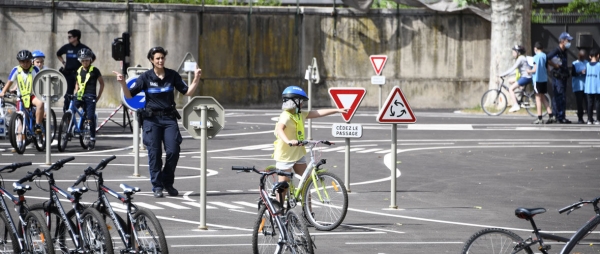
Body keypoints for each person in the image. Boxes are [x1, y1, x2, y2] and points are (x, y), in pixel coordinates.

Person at [114, 46, 201, 198]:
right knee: (154, 153)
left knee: (173, 151)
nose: (160, 60)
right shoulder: (145, 77)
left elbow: (187, 92)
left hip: (169, 119)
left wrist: (196, 79)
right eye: (157, 58)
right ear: (151, 60)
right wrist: (122, 83)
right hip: (151, 120)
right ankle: (157, 186)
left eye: (162, 58)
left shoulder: (172, 75)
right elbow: (129, 96)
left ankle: (168, 182)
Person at [273, 86, 348, 199]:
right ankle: (278, 214)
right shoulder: (286, 116)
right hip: (285, 156)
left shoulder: (300, 114)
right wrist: (289, 141)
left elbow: (317, 113)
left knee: (306, 184)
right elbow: (279, 129)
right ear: (294, 102)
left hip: (298, 154)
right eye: (301, 102)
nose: (302, 104)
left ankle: (308, 214)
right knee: (283, 188)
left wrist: (337, 110)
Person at [0, 50, 43, 132]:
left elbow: (40, 81)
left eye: (27, 61)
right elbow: (9, 82)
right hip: (21, 97)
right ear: (19, 62)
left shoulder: (35, 69)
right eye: (22, 62)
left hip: (32, 96)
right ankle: (19, 141)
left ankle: (38, 125)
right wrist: (3, 92)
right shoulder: (16, 70)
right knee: (20, 117)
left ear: (31, 61)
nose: (25, 64)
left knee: (40, 103)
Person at [73, 48, 104, 150]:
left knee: (90, 117)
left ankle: (92, 138)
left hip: (91, 96)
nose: (84, 62)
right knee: (71, 109)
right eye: (82, 60)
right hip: (80, 95)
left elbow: (101, 83)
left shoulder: (95, 70)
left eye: (86, 60)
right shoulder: (78, 70)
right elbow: (77, 83)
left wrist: (98, 96)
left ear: (90, 60)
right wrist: (76, 92)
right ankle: (70, 128)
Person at [57, 29, 91, 113]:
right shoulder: (67, 47)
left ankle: (84, 114)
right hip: (68, 74)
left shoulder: (83, 48)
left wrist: (86, 66)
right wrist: (63, 62)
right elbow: (58, 54)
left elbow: (92, 57)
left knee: (81, 94)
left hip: (79, 74)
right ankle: (67, 115)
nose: (68, 38)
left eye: (70, 37)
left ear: (76, 37)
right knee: (68, 95)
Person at [547, 32, 573, 124]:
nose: (569, 42)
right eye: (568, 40)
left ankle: (558, 116)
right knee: (559, 97)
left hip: (563, 77)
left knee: (559, 97)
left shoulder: (564, 51)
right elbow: (547, 58)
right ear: (562, 41)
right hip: (557, 77)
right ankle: (559, 116)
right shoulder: (556, 51)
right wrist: (554, 65)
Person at [527, 42, 554, 124]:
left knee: (538, 99)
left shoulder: (535, 58)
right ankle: (551, 115)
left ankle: (540, 118)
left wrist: (529, 71)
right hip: (544, 79)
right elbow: (548, 68)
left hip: (537, 80)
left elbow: (534, 69)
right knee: (543, 98)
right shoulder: (545, 56)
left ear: (535, 48)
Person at [499, 45, 532, 113]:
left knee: (511, 89)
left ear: (518, 52)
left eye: (514, 52)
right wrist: (507, 75)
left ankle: (516, 105)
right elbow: (515, 71)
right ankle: (521, 100)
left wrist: (503, 74)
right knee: (512, 83)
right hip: (525, 77)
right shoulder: (521, 58)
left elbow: (513, 68)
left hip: (526, 77)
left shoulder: (520, 58)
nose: (513, 54)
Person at [583, 48, 600, 125]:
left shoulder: (587, 65)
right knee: (598, 103)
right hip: (597, 87)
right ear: (598, 56)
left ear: (590, 56)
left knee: (589, 104)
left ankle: (589, 119)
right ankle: (598, 119)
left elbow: (584, 73)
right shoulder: (599, 65)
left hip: (588, 87)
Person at [572, 49, 589, 124]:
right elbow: (573, 73)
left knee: (588, 103)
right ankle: (580, 118)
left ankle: (589, 118)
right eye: (581, 57)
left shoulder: (587, 63)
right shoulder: (574, 63)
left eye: (584, 57)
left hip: (586, 86)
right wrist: (580, 72)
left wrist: (586, 72)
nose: (582, 58)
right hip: (578, 86)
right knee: (579, 103)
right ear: (579, 56)